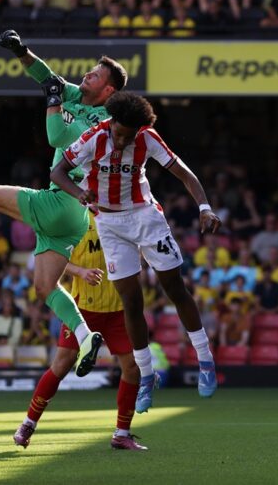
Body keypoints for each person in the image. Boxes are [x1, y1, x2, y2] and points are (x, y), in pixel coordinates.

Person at [0, 30, 129, 378]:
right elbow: (47, 78)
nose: (86, 75)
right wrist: (21, 52)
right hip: (74, 218)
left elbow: (56, 137)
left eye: (95, 75)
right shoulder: (78, 97)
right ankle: (85, 337)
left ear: (108, 91)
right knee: (45, 287)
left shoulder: (103, 122)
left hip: (61, 201)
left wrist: (52, 102)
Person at [51, 91, 221, 412]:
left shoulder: (147, 138)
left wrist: (205, 208)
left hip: (145, 217)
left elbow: (184, 173)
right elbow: (57, 172)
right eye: (119, 133)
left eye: (129, 137)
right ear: (111, 122)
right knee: (131, 301)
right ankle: (145, 375)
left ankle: (205, 360)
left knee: (175, 288)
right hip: (110, 225)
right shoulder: (93, 137)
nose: (122, 141)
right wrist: (79, 193)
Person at [13, 214, 146, 450]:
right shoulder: (75, 221)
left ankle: (121, 434)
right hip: (83, 309)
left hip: (118, 309)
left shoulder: (121, 216)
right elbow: (54, 260)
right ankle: (28, 424)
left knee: (132, 367)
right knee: (61, 365)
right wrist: (80, 272)